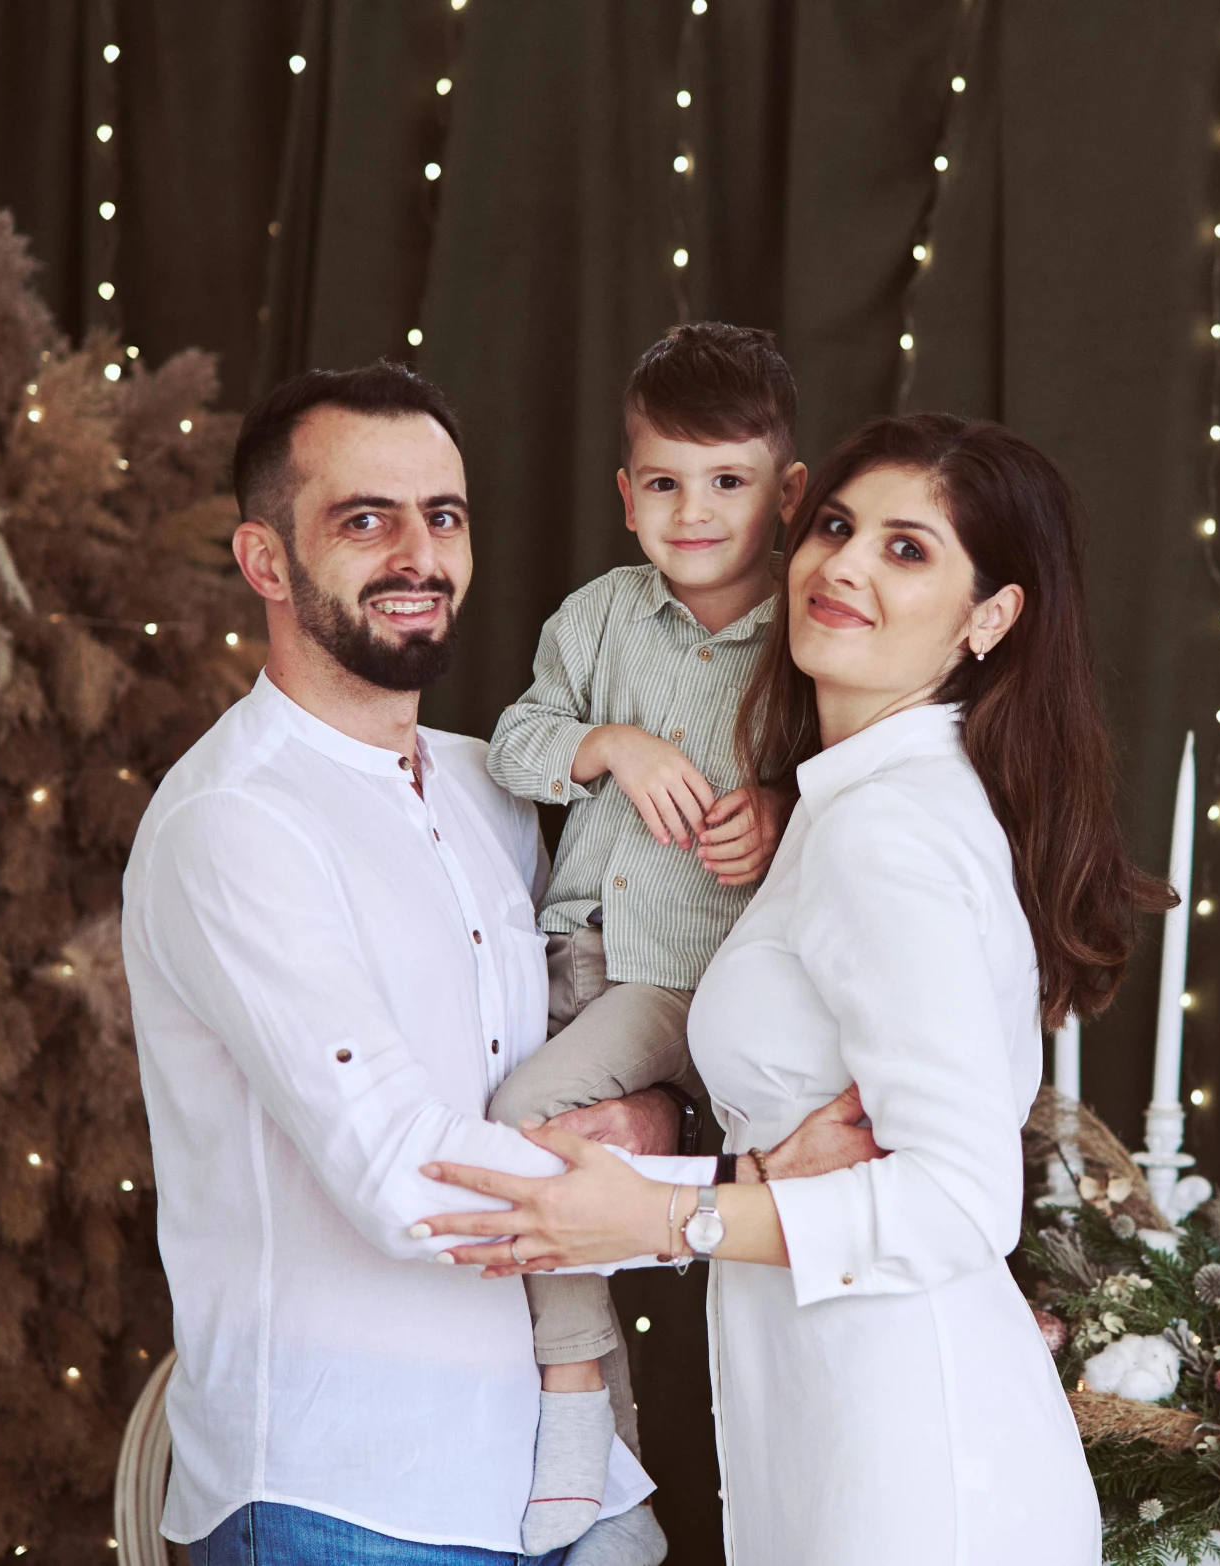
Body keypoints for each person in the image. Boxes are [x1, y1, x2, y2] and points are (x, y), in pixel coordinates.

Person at [122, 362, 872, 1566]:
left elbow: (613, 1020)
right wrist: (747, 1190)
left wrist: (777, 816)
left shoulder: (494, 791)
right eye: (365, 519)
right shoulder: (236, 824)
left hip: (548, 1473)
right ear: (265, 561)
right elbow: (402, 1175)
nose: (417, 554)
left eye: (445, 516)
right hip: (341, 1493)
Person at [416, 414, 1174, 1564]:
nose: (846, 565)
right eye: (836, 527)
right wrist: (724, 1171)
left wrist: (667, 1216)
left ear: (990, 618)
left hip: (914, 1460)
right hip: (832, 1424)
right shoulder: (840, 807)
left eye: (907, 550)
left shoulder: (889, 830)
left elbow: (965, 1203)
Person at [480, 323, 803, 1552]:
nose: (695, 511)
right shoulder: (600, 620)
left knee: (522, 1123)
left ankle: (574, 1398)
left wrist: (772, 813)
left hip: (674, 980)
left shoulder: (801, 646)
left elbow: (830, 800)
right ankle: (610, 1486)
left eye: (728, 482)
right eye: (665, 483)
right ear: (626, 497)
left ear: (788, 494)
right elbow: (517, 740)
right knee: (517, 1166)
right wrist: (606, 744)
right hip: (560, 952)